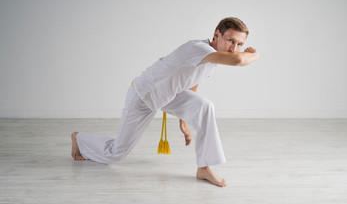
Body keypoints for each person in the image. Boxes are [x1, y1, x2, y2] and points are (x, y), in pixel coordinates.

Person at [71, 17, 258, 187]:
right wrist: (254, 54)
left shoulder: (212, 59)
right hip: (143, 96)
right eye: (231, 41)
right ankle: (79, 139)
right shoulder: (198, 48)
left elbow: (191, 84)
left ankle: (204, 168)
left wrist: (183, 121)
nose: (234, 48)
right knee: (117, 152)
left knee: (204, 107)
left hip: (169, 95)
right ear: (217, 34)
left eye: (240, 44)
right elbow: (237, 60)